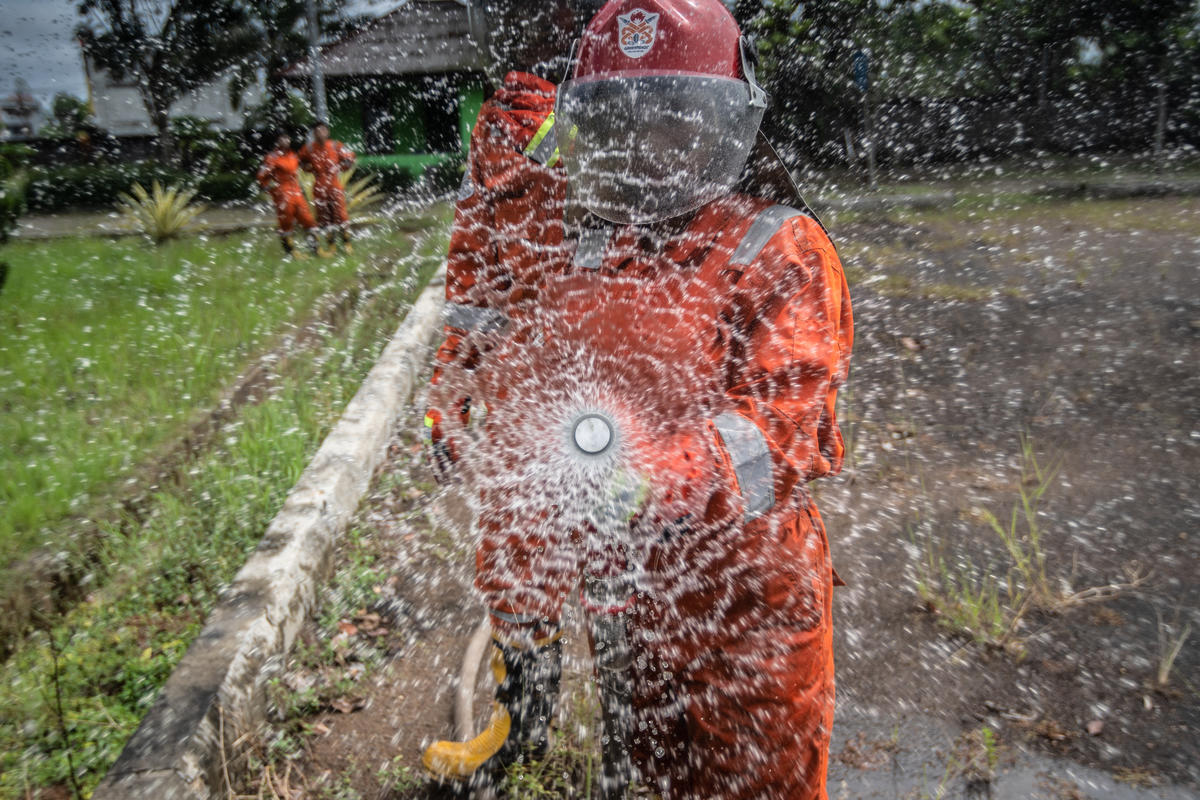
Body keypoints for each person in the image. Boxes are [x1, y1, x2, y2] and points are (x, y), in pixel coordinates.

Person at [434, 1, 855, 798]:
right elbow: (530, 381)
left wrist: (657, 476)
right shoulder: (591, 248)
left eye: (670, 117)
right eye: (620, 120)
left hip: (747, 604)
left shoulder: (777, 246)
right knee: (643, 779)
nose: (644, 142)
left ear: (724, 124)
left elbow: (777, 436)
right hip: (636, 603)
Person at [419, 0, 604, 786]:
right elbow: (478, 262)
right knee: (518, 557)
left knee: (645, 565)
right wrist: (452, 383)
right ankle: (522, 729)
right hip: (535, 384)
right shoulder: (505, 119)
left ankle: (644, 748)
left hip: (637, 375)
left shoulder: (648, 85)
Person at [256, 131, 326, 258]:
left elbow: (302, 167)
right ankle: (291, 252)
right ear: (277, 141)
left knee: (308, 220)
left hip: (297, 192)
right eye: (282, 138)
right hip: (283, 194)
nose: (286, 141)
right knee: (286, 223)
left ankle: (316, 250)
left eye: (287, 138)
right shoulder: (272, 157)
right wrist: (271, 189)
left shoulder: (293, 155)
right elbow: (261, 176)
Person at [298, 122, 356, 253]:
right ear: (314, 134)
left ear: (328, 132)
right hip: (319, 186)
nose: (320, 133)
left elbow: (350, 157)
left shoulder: (335, 145)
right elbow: (300, 161)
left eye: (323, 130)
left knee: (341, 215)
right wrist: (307, 168)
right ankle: (332, 246)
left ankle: (347, 243)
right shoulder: (309, 149)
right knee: (324, 218)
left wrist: (343, 166)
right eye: (317, 131)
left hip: (334, 185)